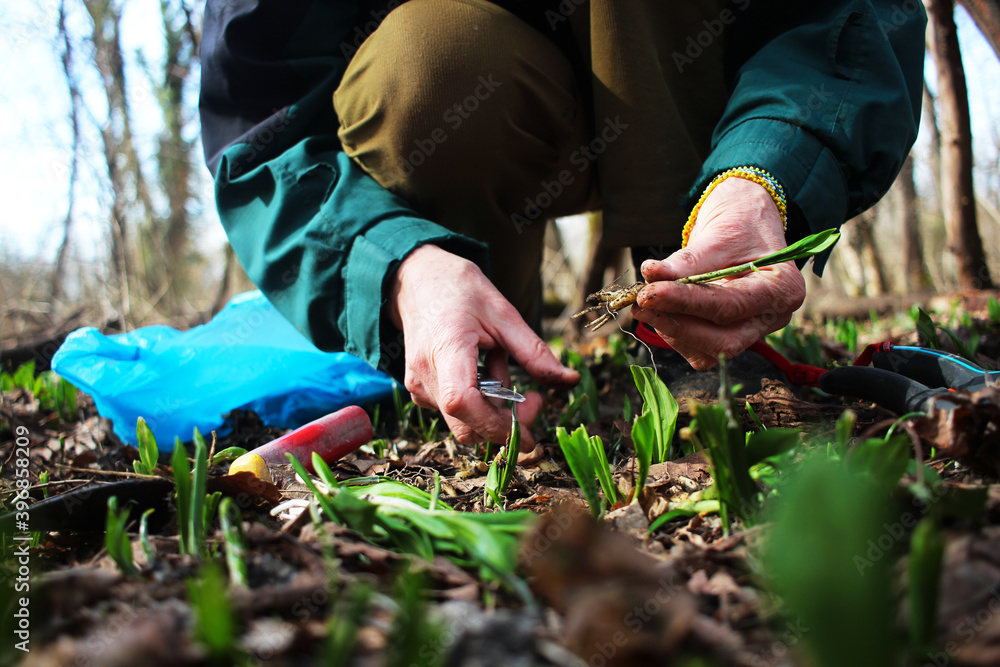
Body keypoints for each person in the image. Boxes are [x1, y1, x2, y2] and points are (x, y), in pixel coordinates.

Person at [199, 0, 926, 451]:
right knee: (430, 61)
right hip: (486, 95)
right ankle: (483, 357)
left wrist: (761, 174)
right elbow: (262, 122)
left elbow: (849, 17)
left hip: (698, 79)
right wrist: (398, 266)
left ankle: (692, 321)